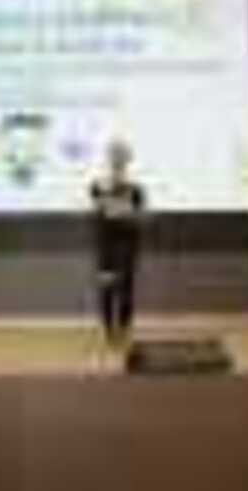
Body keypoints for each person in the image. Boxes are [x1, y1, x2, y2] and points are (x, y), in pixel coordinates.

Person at [89, 139, 146, 349]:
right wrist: (116, 207)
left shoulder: (136, 188)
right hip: (107, 246)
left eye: (121, 156)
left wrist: (124, 212)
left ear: (127, 160)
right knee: (107, 288)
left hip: (128, 245)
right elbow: (101, 211)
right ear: (109, 159)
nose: (118, 160)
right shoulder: (98, 185)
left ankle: (124, 330)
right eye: (114, 155)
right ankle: (108, 331)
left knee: (126, 289)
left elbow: (139, 216)